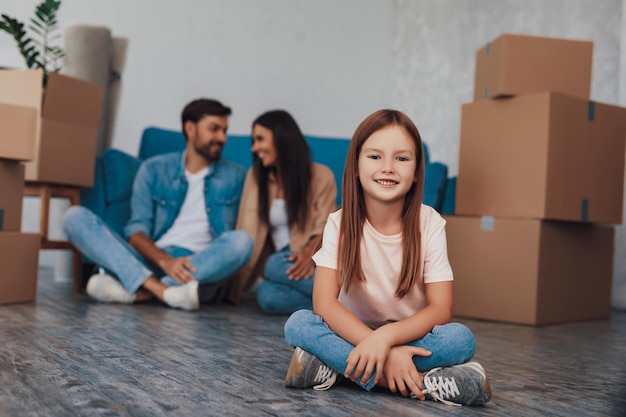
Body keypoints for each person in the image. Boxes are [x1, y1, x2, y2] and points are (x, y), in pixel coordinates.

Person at [282, 109, 491, 406]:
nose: (388, 167)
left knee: (459, 339)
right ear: (355, 165)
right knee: (298, 323)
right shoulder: (339, 224)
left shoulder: (429, 223)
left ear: (417, 171)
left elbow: (441, 308)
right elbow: (324, 304)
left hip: (407, 337)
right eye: (375, 156)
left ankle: (337, 369)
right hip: (351, 334)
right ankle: (420, 383)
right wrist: (377, 345)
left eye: (402, 159)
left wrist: (387, 339)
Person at [62, 98, 253, 311]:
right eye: (214, 129)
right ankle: (164, 292)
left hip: (199, 267)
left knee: (242, 241)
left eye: (224, 131)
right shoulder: (154, 169)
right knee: (74, 217)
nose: (222, 138)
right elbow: (136, 232)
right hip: (151, 261)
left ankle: (139, 290)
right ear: (190, 128)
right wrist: (165, 262)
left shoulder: (236, 176)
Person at [225, 110, 337, 314]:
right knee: (268, 297)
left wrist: (308, 255)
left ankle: (340, 300)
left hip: (311, 260)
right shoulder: (255, 177)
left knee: (273, 265)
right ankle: (344, 305)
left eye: (260, 139)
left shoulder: (321, 176)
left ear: (281, 139)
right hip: (282, 268)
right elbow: (245, 227)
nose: (254, 147)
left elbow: (327, 227)